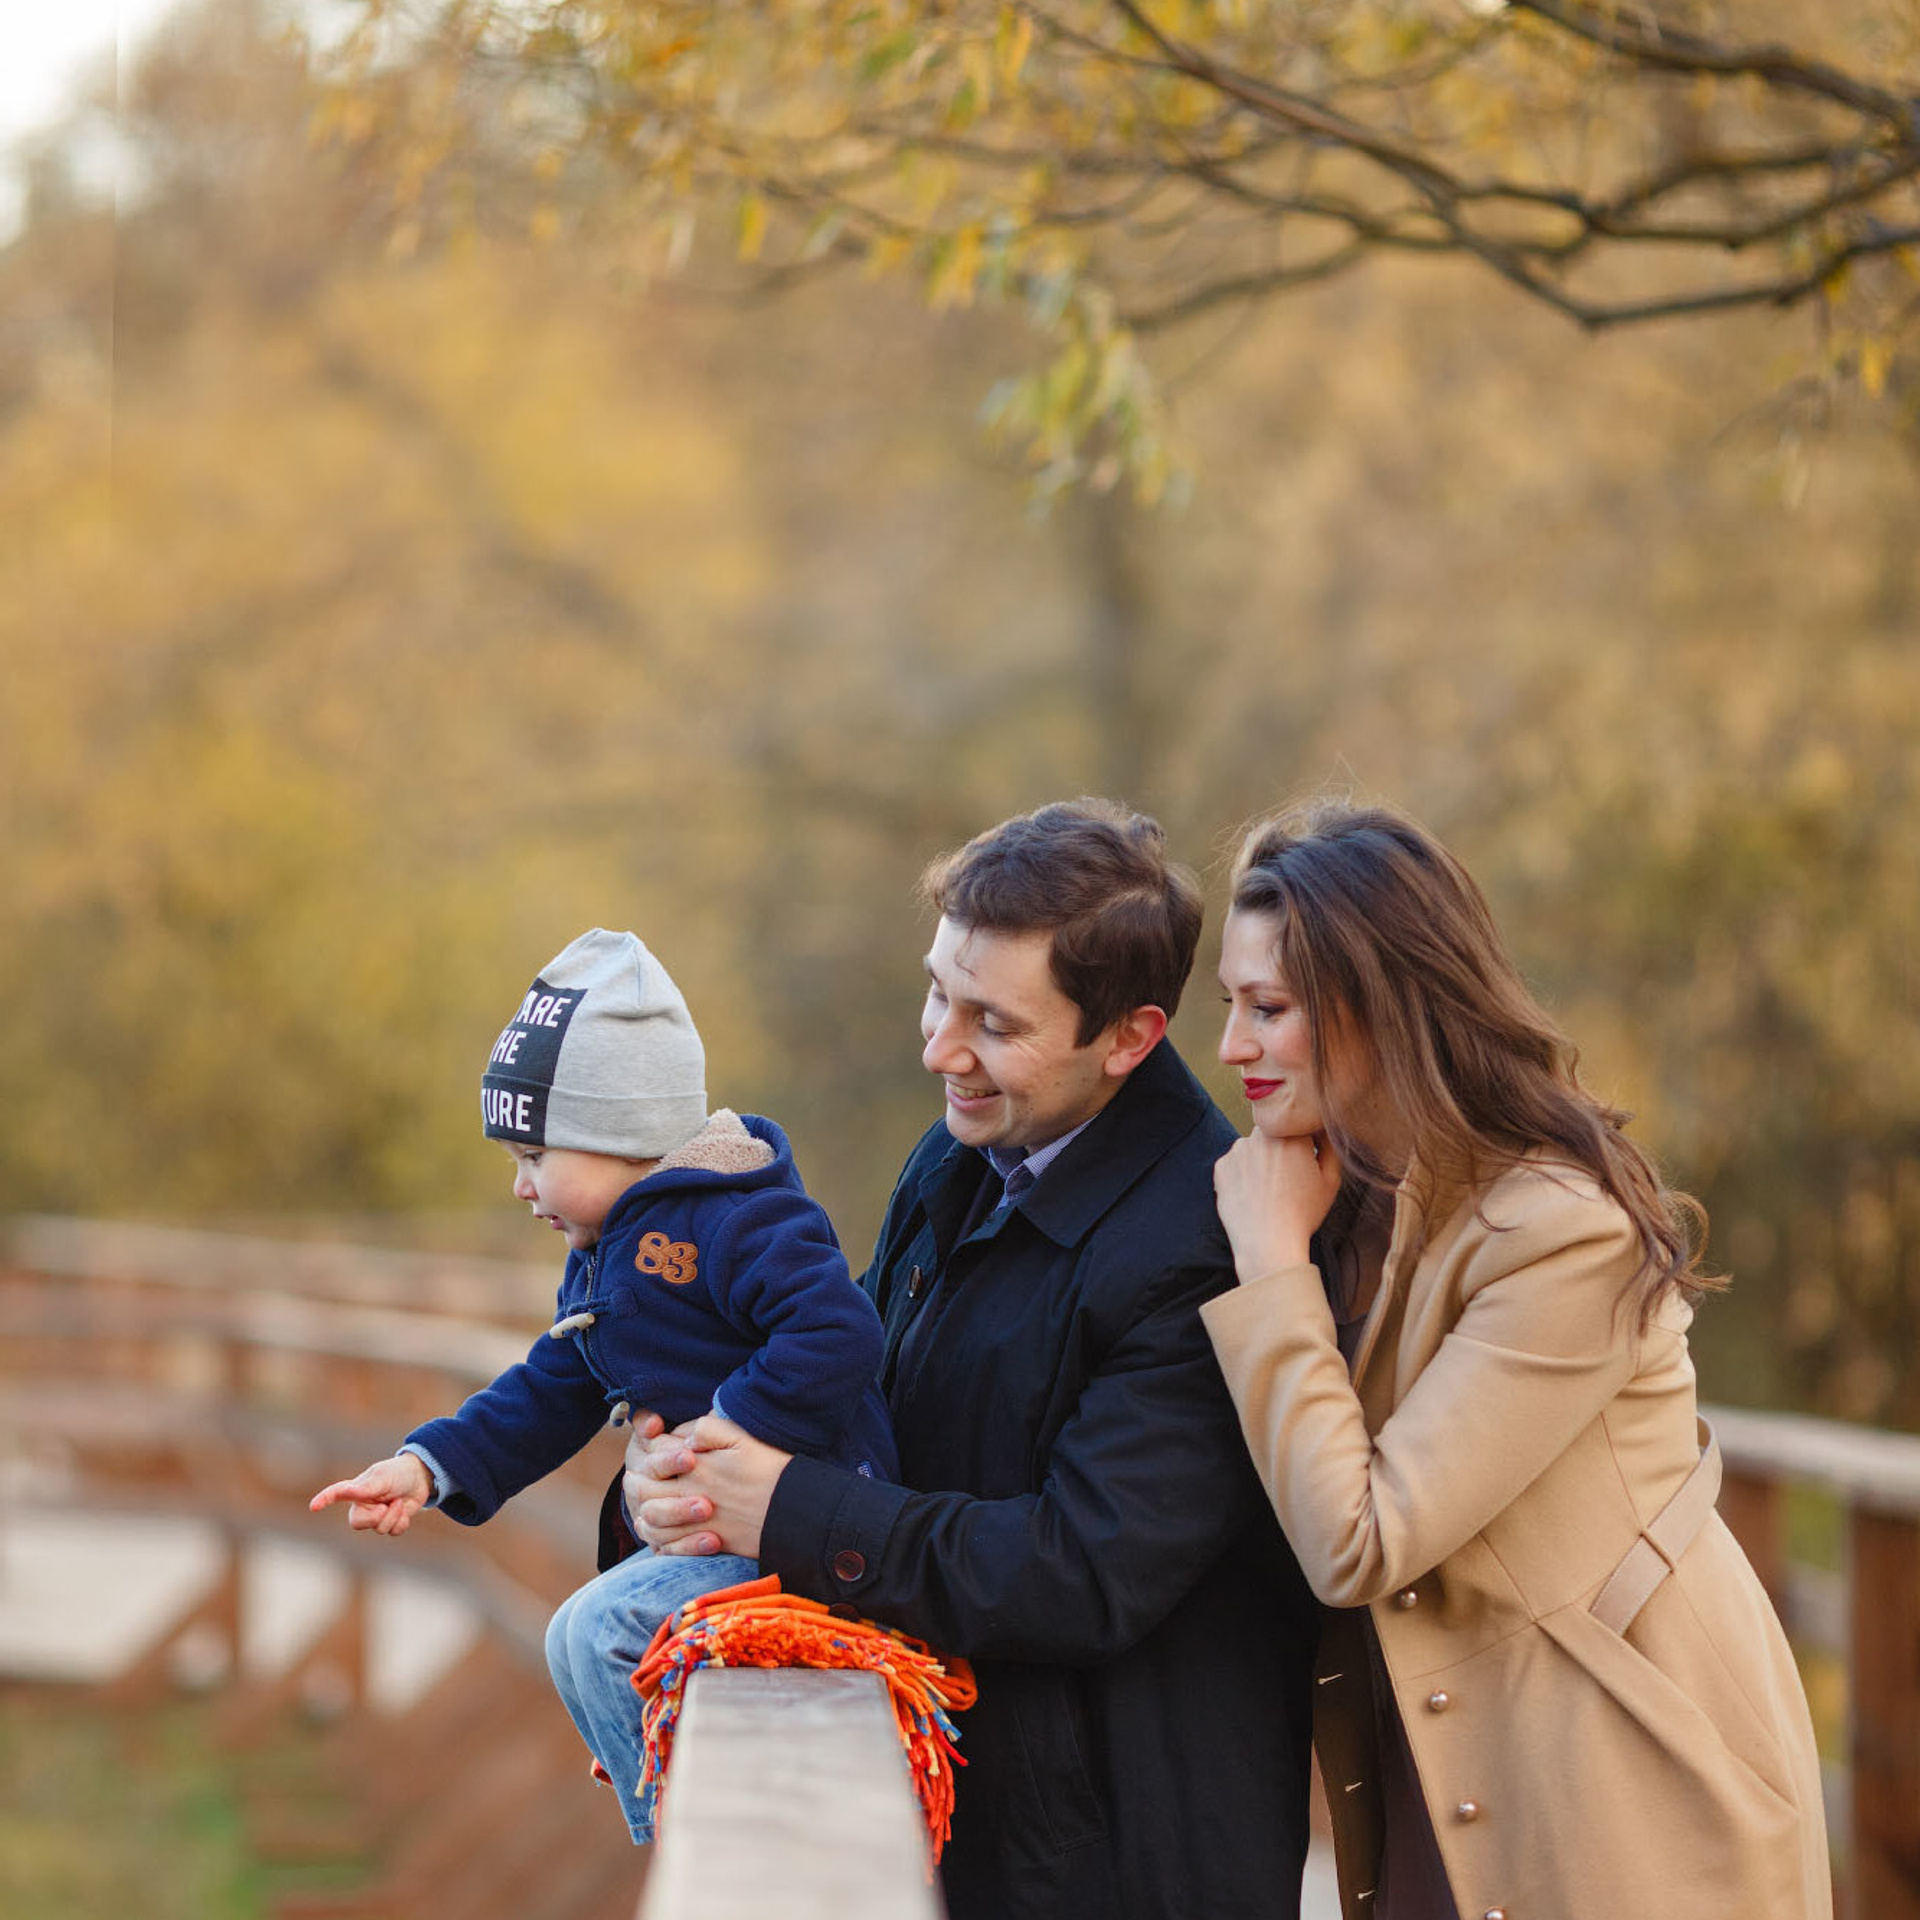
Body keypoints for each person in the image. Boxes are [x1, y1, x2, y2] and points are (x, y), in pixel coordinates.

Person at [617, 799, 1319, 1920]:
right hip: (963, 1812)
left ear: (1129, 1038)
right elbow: (844, 1398)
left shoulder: (1204, 1241)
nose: (941, 1046)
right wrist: (685, 1480)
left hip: (1120, 1868)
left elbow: (1083, 1567)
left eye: (993, 1021)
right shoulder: (958, 1158)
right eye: (940, 989)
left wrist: (792, 1507)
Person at [1205, 800, 1831, 1920]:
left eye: (1268, 1008)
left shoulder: (1558, 1231)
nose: (1233, 1046)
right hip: (1440, 1791)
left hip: (1620, 1807)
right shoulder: (1338, 1205)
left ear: (1379, 1007)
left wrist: (1267, 1265)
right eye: (1229, 1006)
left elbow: (1358, 1540)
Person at [309, 928, 895, 1844]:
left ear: (619, 1134)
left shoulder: (741, 1219)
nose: (520, 1186)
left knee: (598, 1636)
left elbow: (840, 1331)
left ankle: (702, 1847)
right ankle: (675, 1839)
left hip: (817, 1533)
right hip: (716, 1540)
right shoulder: (602, 1254)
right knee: (576, 1640)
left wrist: (728, 1430)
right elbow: (552, 1386)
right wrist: (429, 1467)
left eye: (535, 1158)